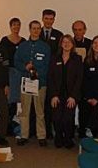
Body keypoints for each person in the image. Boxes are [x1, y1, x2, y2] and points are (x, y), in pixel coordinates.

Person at [14, 20, 50, 146]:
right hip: (26, 83)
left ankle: (41, 136)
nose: (36, 30)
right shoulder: (23, 46)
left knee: (40, 111)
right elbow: (16, 62)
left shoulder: (45, 47)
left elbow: (48, 65)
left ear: (40, 30)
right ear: (29, 29)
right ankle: (24, 135)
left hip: (40, 84)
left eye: (38, 28)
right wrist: (26, 67)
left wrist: (39, 73)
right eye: (33, 28)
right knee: (25, 111)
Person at [48, 34, 83, 148]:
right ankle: (58, 137)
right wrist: (53, 95)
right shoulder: (54, 58)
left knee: (68, 118)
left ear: (72, 45)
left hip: (71, 95)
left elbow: (79, 79)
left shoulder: (77, 59)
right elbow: (50, 78)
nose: (66, 44)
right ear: (61, 44)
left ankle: (68, 138)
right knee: (57, 117)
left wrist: (73, 96)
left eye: (69, 42)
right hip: (57, 95)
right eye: (64, 42)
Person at [40, 9, 63, 139]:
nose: (48, 21)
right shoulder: (37, 33)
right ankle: (39, 131)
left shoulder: (59, 35)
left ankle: (50, 131)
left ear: (54, 20)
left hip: (54, 75)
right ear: (43, 19)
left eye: (51, 19)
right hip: (40, 75)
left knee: (52, 103)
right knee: (39, 105)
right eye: (46, 18)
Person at [0, 18, 26, 134]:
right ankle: (6, 125)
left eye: (18, 25)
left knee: (17, 100)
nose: (16, 27)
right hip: (8, 73)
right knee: (8, 100)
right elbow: (1, 58)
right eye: (14, 25)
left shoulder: (23, 41)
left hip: (20, 73)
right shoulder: (4, 40)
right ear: (10, 26)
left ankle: (14, 126)